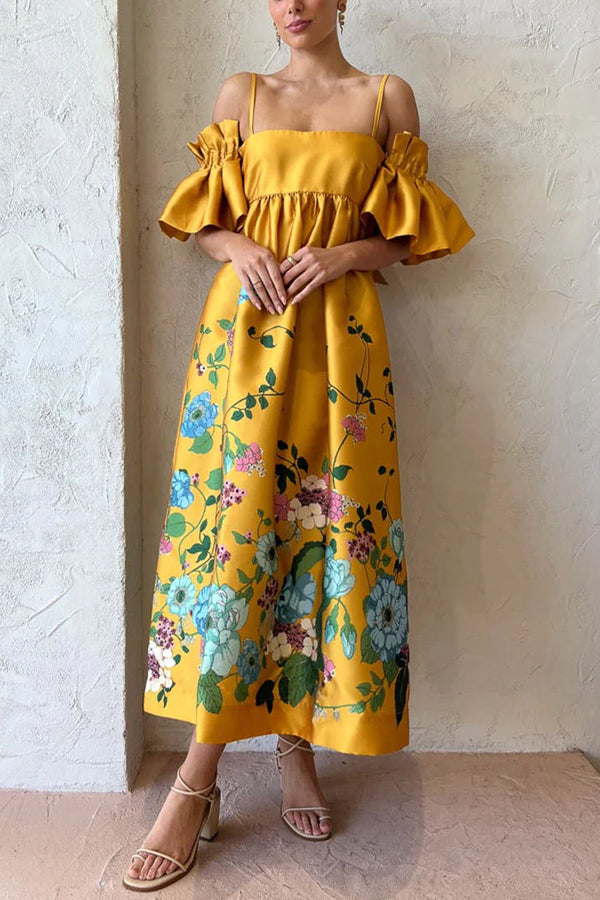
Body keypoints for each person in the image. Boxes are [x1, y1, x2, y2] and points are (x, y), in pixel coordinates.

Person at [123, 0, 475, 890]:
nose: (293, 5)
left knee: (326, 535)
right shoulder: (241, 94)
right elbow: (199, 220)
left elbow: (407, 235)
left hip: (341, 350)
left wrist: (345, 257)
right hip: (244, 344)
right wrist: (236, 246)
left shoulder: (387, 97)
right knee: (238, 538)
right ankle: (196, 779)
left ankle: (295, 747)